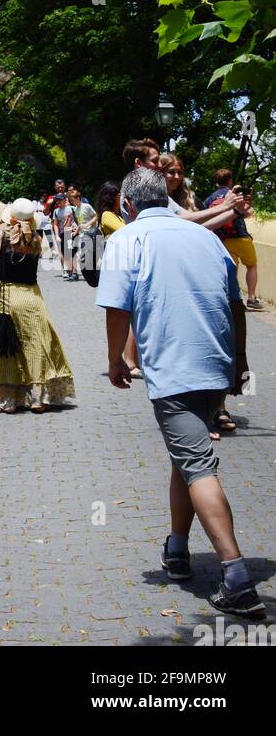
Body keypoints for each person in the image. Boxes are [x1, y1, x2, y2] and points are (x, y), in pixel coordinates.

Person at [96, 168, 263, 620]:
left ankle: (237, 578)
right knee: (184, 457)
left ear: (128, 205)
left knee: (196, 464)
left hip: (174, 370)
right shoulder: (206, 238)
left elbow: (117, 307)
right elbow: (234, 300)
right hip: (215, 364)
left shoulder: (127, 239)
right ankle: (177, 549)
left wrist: (115, 360)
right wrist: (240, 359)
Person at [0, 198, 76, 414]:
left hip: (8, 296)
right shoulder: (36, 240)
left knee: (8, 347)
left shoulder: (0, 237)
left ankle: (9, 401)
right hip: (31, 296)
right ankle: (38, 399)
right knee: (35, 346)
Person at [123, 138, 245, 231]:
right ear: (138, 163)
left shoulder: (160, 195)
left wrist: (235, 211)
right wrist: (224, 206)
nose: (160, 165)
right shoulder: (132, 192)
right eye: (155, 161)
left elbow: (197, 224)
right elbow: (170, 222)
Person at [205, 169, 262, 311]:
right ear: (230, 180)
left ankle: (233, 299)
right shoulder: (235, 195)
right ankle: (251, 298)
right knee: (251, 266)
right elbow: (247, 213)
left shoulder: (210, 198)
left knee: (231, 270)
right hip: (241, 237)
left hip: (223, 240)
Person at [96, 180, 138, 373]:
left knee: (131, 315)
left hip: (127, 264)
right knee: (124, 314)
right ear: (112, 196)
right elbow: (127, 233)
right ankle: (127, 361)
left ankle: (131, 360)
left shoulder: (118, 215)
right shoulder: (107, 215)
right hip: (118, 267)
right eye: (121, 194)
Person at [67, 183, 98, 282]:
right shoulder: (75, 210)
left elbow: (96, 216)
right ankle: (86, 272)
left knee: (88, 253)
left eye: (73, 200)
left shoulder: (87, 206)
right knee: (80, 253)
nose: (72, 202)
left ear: (78, 198)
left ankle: (93, 272)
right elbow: (80, 223)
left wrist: (87, 224)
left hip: (91, 233)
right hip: (82, 234)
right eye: (71, 201)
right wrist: (76, 231)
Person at [51, 190, 76, 276]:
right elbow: (55, 224)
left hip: (72, 232)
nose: (58, 202)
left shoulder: (72, 208)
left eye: (60, 200)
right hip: (62, 233)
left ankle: (73, 272)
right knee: (64, 253)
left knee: (70, 252)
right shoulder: (56, 211)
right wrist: (57, 235)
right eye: (57, 200)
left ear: (65, 199)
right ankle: (68, 271)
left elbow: (79, 218)